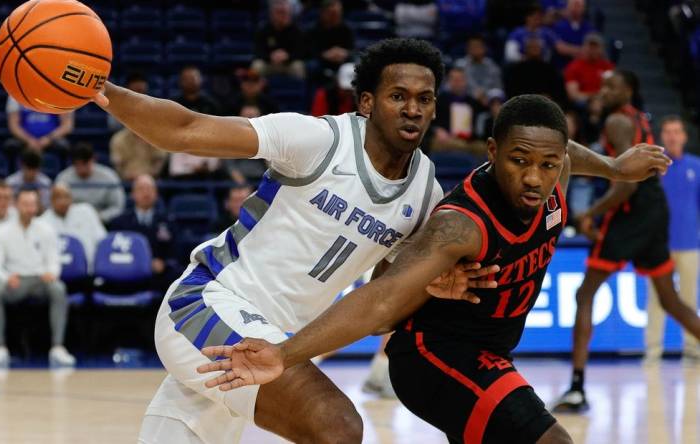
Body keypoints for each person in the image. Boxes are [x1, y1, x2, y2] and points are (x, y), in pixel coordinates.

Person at [196, 95, 672, 444]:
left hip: (491, 352)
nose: (534, 177)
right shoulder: (459, 225)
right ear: (492, 152)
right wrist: (286, 353)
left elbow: (565, 152)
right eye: (519, 161)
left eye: (547, 164)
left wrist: (612, 166)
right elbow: (383, 297)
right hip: (437, 358)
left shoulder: (555, 171)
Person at [95, 38, 462, 443]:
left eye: (424, 99)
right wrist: (102, 90)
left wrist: (431, 285)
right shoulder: (318, 140)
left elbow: (385, 298)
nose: (413, 109)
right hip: (210, 303)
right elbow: (187, 130)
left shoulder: (426, 193)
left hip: (281, 341)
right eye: (398, 96)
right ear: (367, 103)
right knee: (336, 425)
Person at [554, 70, 700, 411]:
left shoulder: (618, 121)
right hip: (655, 210)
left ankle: (576, 389)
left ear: (629, 90)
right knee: (671, 301)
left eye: (612, 85)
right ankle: (576, 388)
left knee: (584, 292)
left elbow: (626, 183)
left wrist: (591, 213)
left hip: (634, 212)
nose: (604, 90)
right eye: (603, 84)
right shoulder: (638, 118)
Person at [0, 188, 75, 367]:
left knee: (58, 289)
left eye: (33, 204)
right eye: (25, 204)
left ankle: (58, 347)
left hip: (40, 280)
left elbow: (54, 261)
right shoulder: (2, 231)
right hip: (15, 281)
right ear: (16, 205)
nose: (29, 209)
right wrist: (5, 278)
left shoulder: (47, 229)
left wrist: (52, 273)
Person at [644, 116, 700, 365]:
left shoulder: (696, 166)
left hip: (689, 244)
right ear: (662, 136)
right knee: (656, 301)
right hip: (659, 246)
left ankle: (692, 349)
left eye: (677, 131)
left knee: (688, 299)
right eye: (668, 132)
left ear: (685, 136)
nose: (673, 136)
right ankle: (652, 351)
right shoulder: (654, 168)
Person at [108, 175, 180, 294]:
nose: (146, 193)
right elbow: (114, 252)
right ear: (133, 194)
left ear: (156, 194)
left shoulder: (168, 222)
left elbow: (175, 252)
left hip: (157, 276)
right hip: (127, 272)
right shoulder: (119, 223)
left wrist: (164, 264)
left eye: (150, 189)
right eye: (141, 189)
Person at [40, 183, 106, 271]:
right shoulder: (42, 222)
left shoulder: (86, 211)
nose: (63, 201)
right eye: (58, 197)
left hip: (88, 271)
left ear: (71, 198)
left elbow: (102, 240)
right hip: (55, 274)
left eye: (66, 197)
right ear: (51, 200)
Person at [55, 142, 125, 224]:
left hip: (103, 222)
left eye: (85, 164)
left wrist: (99, 217)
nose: (82, 169)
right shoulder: (63, 178)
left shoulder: (108, 176)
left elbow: (117, 206)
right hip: (70, 221)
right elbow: (55, 204)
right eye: (77, 164)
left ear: (93, 159)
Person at [252, 0, 307, 79]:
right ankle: (256, 90)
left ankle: (298, 90)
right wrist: (270, 56)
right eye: (279, 12)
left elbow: (301, 52)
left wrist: (287, 56)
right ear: (272, 14)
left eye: (285, 13)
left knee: (298, 66)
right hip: (269, 63)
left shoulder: (297, 31)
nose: (282, 16)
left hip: (288, 64)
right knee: (257, 66)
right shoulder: (263, 30)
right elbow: (258, 51)